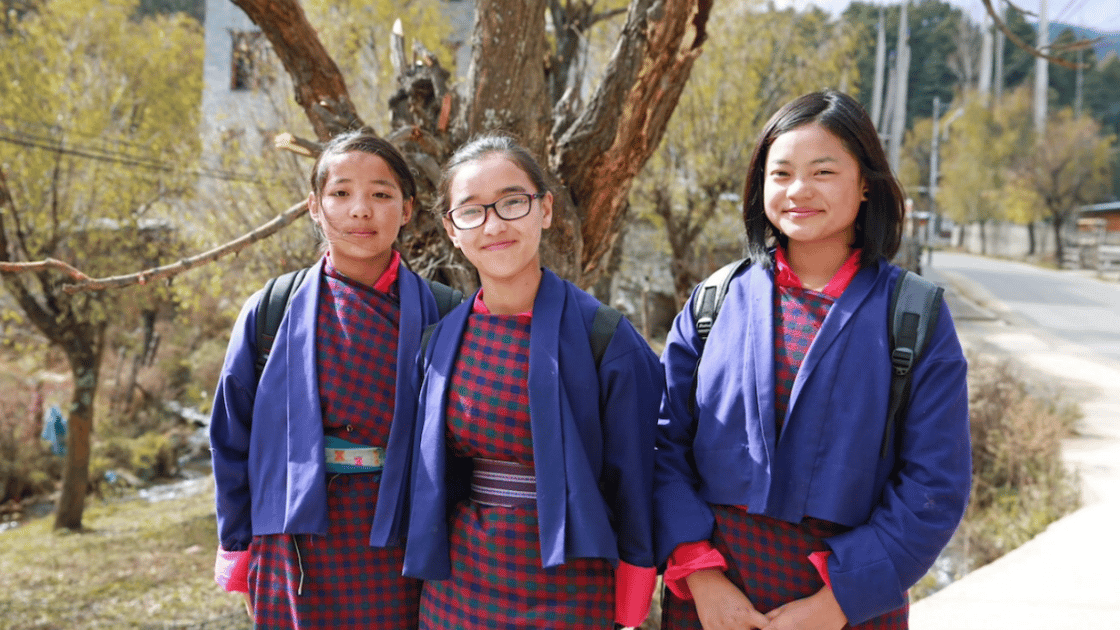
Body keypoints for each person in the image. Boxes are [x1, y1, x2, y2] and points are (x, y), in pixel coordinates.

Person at [653, 90, 971, 630]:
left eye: (823, 171)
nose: (799, 191)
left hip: (849, 606)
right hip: (712, 604)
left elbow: (934, 484)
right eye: (780, 175)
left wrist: (837, 603)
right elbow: (661, 446)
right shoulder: (715, 301)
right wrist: (702, 580)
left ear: (865, 183)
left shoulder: (914, 315)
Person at [397, 134, 661, 629]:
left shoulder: (603, 336)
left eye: (512, 202)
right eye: (471, 211)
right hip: (460, 584)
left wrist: (633, 591)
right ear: (452, 230)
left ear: (545, 210)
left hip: (570, 584)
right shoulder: (439, 343)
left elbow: (638, 477)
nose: (494, 224)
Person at [209, 131, 448, 629]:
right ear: (314, 207)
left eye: (381, 194)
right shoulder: (271, 310)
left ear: (407, 209)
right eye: (341, 193)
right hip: (296, 542)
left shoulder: (443, 314)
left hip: (403, 539)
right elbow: (230, 438)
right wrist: (237, 547)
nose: (361, 210)